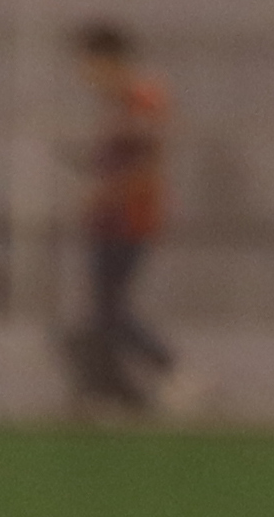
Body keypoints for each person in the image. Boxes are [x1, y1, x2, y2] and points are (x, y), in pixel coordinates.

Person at [72, 24, 172, 416]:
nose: (83, 73)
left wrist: (103, 192)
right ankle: (114, 393)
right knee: (104, 310)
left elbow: (147, 163)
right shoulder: (116, 103)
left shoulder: (142, 98)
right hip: (109, 219)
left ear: (109, 60)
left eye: (88, 63)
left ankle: (172, 371)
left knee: (110, 310)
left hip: (129, 219)